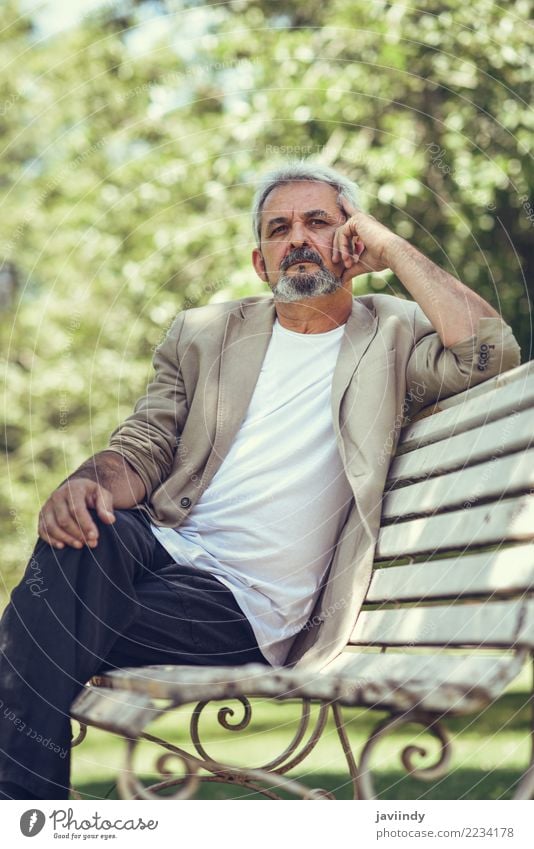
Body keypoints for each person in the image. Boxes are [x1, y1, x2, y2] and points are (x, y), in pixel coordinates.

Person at [0, 161, 521, 800]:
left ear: (351, 237)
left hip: (243, 607)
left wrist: (390, 248)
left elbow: (493, 353)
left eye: (318, 221)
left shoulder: (393, 330)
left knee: (39, 624)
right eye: (280, 228)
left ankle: (20, 810)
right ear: (260, 261)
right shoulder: (202, 334)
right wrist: (87, 483)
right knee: (82, 531)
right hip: (158, 549)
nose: (297, 237)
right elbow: (143, 445)